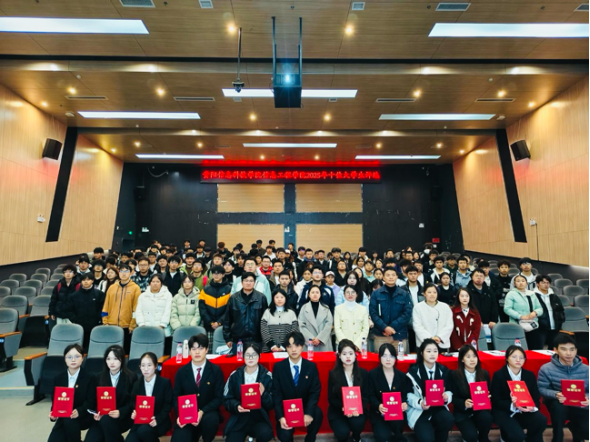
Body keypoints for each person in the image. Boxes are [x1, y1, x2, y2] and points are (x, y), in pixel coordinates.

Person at [272, 331, 324, 442]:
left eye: (297, 345)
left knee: (317, 413)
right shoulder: (278, 367)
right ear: (286, 348)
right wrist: (281, 417)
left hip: (305, 406)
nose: (293, 350)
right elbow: (276, 394)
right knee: (284, 436)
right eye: (290, 346)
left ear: (302, 347)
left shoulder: (311, 366)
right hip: (286, 409)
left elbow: (315, 392)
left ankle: (310, 438)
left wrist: (308, 413)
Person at [171, 334, 224, 442]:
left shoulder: (215, 370)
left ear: (206, 350)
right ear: (189, 351)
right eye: (194, 349)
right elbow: (176, 396)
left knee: (211, 420)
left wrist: (202, 412)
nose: (197, 352)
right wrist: (181, 414)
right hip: (187, 414)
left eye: (200, 348)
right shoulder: (181, 372)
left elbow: (219, 397)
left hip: (208, 413)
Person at [538, 333, 589, 442]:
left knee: (586, 430)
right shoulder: (546, 369)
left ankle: (576, 431)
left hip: (580, 404)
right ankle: (557, 437)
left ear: (576, 350)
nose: (568, 353)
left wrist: (587, 398)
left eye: (572, 349)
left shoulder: (586, 369)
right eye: (564, 349)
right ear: (555, 350)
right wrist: (556, 394)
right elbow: (542, 389)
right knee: (558, 408)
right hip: (559, 403)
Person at [491, 346, 547, 442]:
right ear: (507, 358)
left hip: (525, 410)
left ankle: (531, 439)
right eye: (514, 357)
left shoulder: (529, 375)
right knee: (517, 436)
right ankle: (505, 435)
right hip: (505, 411)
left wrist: (532, 406)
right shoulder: (499, 375)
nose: (518, 360)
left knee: (541, 420)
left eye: (521, 358)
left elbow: (536, 397)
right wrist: (512, 405)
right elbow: (496, 400)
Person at [223, 343, 274, 442]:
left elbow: (272, 404)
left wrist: (263, 394)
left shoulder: (267, 376)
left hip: (259, 418)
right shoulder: (235, 375)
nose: (251, 358)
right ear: (243, 356)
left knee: (266, 434)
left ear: (259, 356)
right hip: (239, 418)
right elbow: (226, 399)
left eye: (254, 354)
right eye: (247, 355)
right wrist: (236, 406)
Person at [406, 339, 455, 442]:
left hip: (438, 408)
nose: (432, 354)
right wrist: (420, 403)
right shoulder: (413, 371)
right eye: (428, 351)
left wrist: (446, 397)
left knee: (448, 419)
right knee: (427, 439)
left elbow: (450, 390)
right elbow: (408, 394)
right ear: (421, 353)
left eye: (435, 351)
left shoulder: (444, 370)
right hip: (420, 411)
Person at [85, 345, 136, 442]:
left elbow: (132, 402)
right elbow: (94, 400)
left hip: (122, 417)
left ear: (122, 360)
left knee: (107, 422)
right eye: (108, 359)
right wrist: (96, 412)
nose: (111, 362)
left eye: (115, 359)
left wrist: (120, 412)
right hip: (102, 417)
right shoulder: (99, 377)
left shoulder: (131, 377)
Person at [48, 344, 95, 442]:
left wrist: (79, 411)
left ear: (82, 358)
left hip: (84, 414)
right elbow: (55, 400)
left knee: (69, 421)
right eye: (69, 357)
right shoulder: (58, 378)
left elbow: (91, 401)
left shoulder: (90, 377)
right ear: (65, 359)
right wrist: (53, 414)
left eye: (77, 356)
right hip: (64, 416)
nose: (73, 360)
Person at [448, 345, 493, 442]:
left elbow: (490, 392)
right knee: (471, 437)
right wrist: (464, 403)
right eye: (468, 357)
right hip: (463, 413)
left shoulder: (484, 374)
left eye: (474, 356)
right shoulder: (454, 375)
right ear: (462, 359)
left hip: (480, 410)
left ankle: (483, 437)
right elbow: (453, 397)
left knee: (486, 417)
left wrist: (488, 397)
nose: (472, 359)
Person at [327, 340, 370, 442]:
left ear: (355, 355)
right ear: (339, 355)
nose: (348, 357)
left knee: (357, 423)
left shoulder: (363, 373)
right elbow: (331, 398)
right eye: (344, 354)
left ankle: (356, 436)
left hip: (357, 411)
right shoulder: (333, 374)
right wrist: (343, 408)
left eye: (351, 353)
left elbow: (366, 395)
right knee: (342, 433)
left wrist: (359, 408)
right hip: (338, 411)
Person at [126, 352, 173, 442]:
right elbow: (133, 402)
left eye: (149, 365)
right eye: (143, 365)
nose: (146, 369)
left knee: (143, 432)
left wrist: (158, 419)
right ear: (140, 367)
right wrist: (135, 412)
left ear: (156, 366)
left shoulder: (164, 383)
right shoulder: (137, 384)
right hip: (140, 421)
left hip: (159, 420)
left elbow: (168, 404)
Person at [368, 344, 409, 442]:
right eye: (384, 356)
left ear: (395, 358)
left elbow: (404, 394)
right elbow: (370, 395)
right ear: (379, 358)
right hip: (379, 413)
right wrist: (378, 405)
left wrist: (404, 403)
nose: (388, 359)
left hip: (396, 413)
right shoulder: (373, 374)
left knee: (397, 434)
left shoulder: (401, 375)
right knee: (383, 437)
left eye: (391, 356)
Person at [223, 272, 269, 354]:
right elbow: (227, 320)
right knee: (237, 361)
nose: (248, 283)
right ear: (241, 282)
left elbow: (266, 320)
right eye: (246, 280)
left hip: (257, 339)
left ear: (254, 283)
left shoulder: (261, 298)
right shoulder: (233, 298)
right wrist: (227, 338)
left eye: (251, 281)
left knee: (255, 360)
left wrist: (265, 339)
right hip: (238, 340)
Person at [370, 267, 413, 351]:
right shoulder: (376, 294)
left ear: (397, 277)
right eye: (388, 275)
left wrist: (392, 327)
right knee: (380, 358)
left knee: (400, 359)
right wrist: (385, 327)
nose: (391, 277)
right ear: (383, 277)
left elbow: (407, 313)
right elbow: (373, 313)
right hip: (381, 335)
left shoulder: (404, 294)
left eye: (393, 275)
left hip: (399, 335)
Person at [102, 264, 141, 353]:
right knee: (112, 351)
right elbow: (105, 306)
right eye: (121, 271)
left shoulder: (135, 288)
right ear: (118, 273)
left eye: (126, 271)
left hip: (127, 326)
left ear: (131, 273)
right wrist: (105, 321)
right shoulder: (112, 287)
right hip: (111, 324)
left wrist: (132, 324)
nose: (124, 273)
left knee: (125, 352)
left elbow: (136, 308)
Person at [64, 273, 105, 351]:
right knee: (80, 348)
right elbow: (69, 310)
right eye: (83, 280)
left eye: (88, 280)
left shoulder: (99, 294)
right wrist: (75, 320)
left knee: (95, 348)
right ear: (81, 282)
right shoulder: (74, 296)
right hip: (79, 326)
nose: (86, 282)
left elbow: (102, 309)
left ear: (92, 281)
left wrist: (98, 319)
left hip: (95, 326)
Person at [504, 274, 544, 350]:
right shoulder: (511, 294)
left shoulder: (532, 294)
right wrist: (520, 316)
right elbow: (507, 309)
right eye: (518, 281)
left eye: (523, 281)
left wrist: (535, 312)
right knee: (519, 348)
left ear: (526, 283)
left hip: (532, 324)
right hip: (517, 324)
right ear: (514, 283)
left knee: (534, 347)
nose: (521, 283)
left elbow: (540, 308)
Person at [412, 283, 454, 350]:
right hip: (424, 343)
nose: (432, 294)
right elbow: (417, 326)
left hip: (441, 343)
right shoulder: (418, 307)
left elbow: (449, 325)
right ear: (424, 294)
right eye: (429, 292)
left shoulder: (445, 307)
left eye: (434, 292)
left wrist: (439, 337)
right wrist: (430, 338)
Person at [199, 265, 232, 346]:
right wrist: (210, 322)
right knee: (208, 349)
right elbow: (202, 309)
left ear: (223, 275)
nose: (216, 275)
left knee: (223, 349)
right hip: (208, 326)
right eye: (214, 273)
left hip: (224, 326)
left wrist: (219, 322)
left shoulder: (229, 290)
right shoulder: (205, 290)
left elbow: (229, 309)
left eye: (219, 273)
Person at [298, 286, 334, 352]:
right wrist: (311, 338)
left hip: (323, 342)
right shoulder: (304, 308)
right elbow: (301, 325)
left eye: (317, 292)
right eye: (313, 292)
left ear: (320, 295)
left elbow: (329, 325)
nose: (315, 294)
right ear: (309, 295)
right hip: (309, 343)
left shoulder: (326, 308)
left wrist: (319, 338)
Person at [334, 285, 370, 351]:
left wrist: (357, 344)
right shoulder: (338, 309)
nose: (350, 294)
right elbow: (337, 328)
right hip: (342, 345)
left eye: (353, 292)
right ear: (344, 295)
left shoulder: (363, 309)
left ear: (357, 294)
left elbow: (365, 328)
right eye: (347, 292)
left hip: (359, 346)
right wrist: (346, 344)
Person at [534, 275, 565, 349]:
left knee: (553, 349)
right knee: (538, 348)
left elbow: (560, 310)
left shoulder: (554, 296)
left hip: (555, 327)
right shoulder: (533, 296)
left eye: (547, 283)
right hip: (540, 328)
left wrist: (561, 320)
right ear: (537, 284)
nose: (546, 285)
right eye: (543, 282)